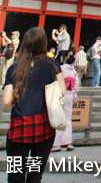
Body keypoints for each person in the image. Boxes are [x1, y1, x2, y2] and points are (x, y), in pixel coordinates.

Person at [2, 26, 66, 183]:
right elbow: (62, 90)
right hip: (44, 128)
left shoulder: (14, 68)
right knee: (35, 175)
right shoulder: (52, 64)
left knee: (15, 175)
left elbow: (6, 101)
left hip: (19, 129)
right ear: (43, 44)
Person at [51, 54, 79, 152]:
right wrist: (75, 96)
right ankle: (68, 143)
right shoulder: (74, 71)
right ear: (73, 62)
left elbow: (56, 80)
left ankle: (57, 144)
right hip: (70, 94)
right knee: (68, 118)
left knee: (59, 118)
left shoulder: (61, 69)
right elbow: (76, 85)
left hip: (61, 93)